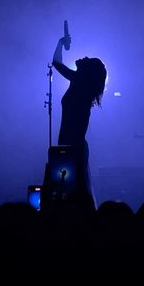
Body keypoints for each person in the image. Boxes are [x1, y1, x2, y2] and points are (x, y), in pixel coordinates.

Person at [52, 33, 107, 210]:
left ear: (87, 72)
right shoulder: (78, 82)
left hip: (72, 146)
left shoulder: (80, 82)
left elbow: (57, 64)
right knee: (74, 191)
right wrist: (60, 43)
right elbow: (57, 64)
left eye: (88, 59)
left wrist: (61, 43)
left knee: (70, 193)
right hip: (72, 145)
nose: (84, 57)